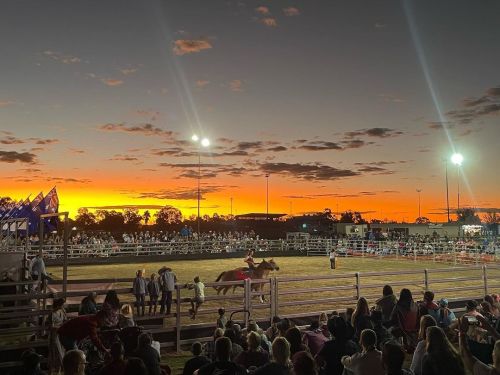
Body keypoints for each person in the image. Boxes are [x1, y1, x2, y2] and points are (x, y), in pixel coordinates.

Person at [48, 298, 67, 374]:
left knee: (61, 352)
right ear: (59, 305)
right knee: (55, 352)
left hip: (61, 334)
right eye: (63, 304)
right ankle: (52, 371)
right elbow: (50, 327)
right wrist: (60, 327)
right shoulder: (52, 314)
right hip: (54, 334)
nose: (64, 305)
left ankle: (59, 371)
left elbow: (65, 321)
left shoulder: (62, 311)